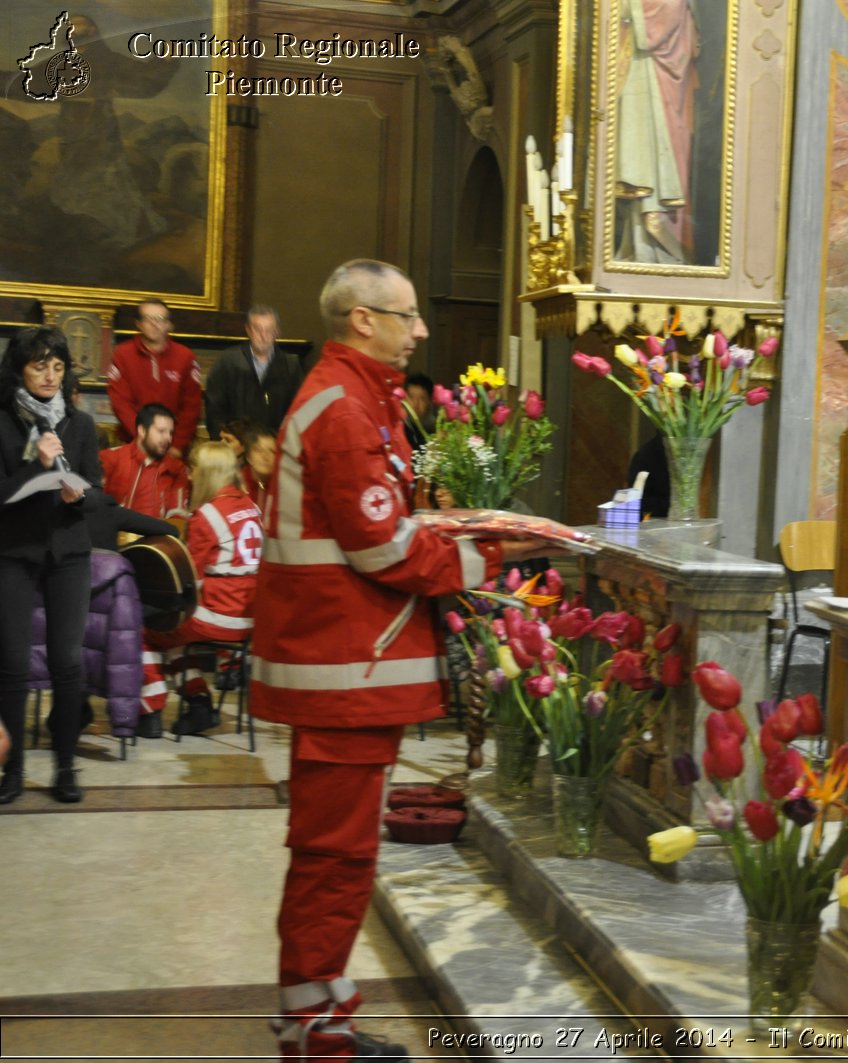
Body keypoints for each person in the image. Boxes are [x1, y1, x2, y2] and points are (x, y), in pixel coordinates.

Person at [252, 260, 565, 1062]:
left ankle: (317, 1016)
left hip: (350, 666)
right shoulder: (345, 408)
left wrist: (459, 524)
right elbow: (384, 549)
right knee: (334, 857)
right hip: (345, 669)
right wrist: (490, 553)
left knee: (339, 856)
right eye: (408, 315)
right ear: (362, 318)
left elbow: (381, 520)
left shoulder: (355, 398)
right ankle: (315, 1035)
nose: (421, 330)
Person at [0, 326, 103, 804]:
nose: (49, 375)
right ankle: (12, 770)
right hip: (14, 551)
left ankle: (65, 768)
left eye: (58, 367)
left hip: (68, 552)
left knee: (66, 662)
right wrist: (36, 466)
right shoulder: (3, 420)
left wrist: (78, 493)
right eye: (40, 365)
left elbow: (97, 493)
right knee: (13, 664)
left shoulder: (79, 425)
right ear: (20, 368)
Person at [138, 442, 262, 738]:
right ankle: (198, 705)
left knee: (147, 627)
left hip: (218, 615)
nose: (190, 476)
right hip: (250, 618)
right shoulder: (251, 507)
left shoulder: (208, 514)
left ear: (207, 472)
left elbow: (187, 579)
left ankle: (150, 709)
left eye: (193, 470)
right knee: (176, 637)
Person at [615, 0, 699, 263]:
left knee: (657, 165)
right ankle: (637, 246)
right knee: (640, 161)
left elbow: (663, 15)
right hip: (641, 71)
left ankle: (661, 249)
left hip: (661, 78)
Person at [107, 298, 203, 453]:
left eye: (160, 319)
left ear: (168, 325)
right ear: (139, 324)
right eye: (148, 319)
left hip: (174, 448)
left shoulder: (185, 357)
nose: (154, 324)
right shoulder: (122, 354)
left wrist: (177, 444)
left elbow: (191, 407)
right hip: (133, 444)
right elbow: (120, 403)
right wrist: (144, 439)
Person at [203, 305, 305, 438]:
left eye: (269, 330)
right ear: (248, 330)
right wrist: (224, 439)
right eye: (258, 330)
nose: (263, 336)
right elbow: (214, 408)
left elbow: (297, 410)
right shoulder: (228, 361)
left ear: (277, 332)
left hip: (275, 445)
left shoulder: (290, 366)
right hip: (235, 443)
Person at [100, 402, 189, 521]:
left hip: (158, 537)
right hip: (114, 535)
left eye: (171, 433)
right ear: (142, 431)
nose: (168, 438)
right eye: (161, 431)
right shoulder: (111, 458)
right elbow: (93, 507)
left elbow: (177, 518)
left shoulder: (177, 469)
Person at [219, 419, 277, 513]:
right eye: (258, 450)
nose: (265, 456)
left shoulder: (284, 486)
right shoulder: (234, 484)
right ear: (249, 455)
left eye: (272, 451)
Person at [400, 372, 436, 450]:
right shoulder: (399, 428)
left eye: (422, 399)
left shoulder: (433, 428)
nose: (416, 404)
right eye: (411, 397)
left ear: (430, 401)